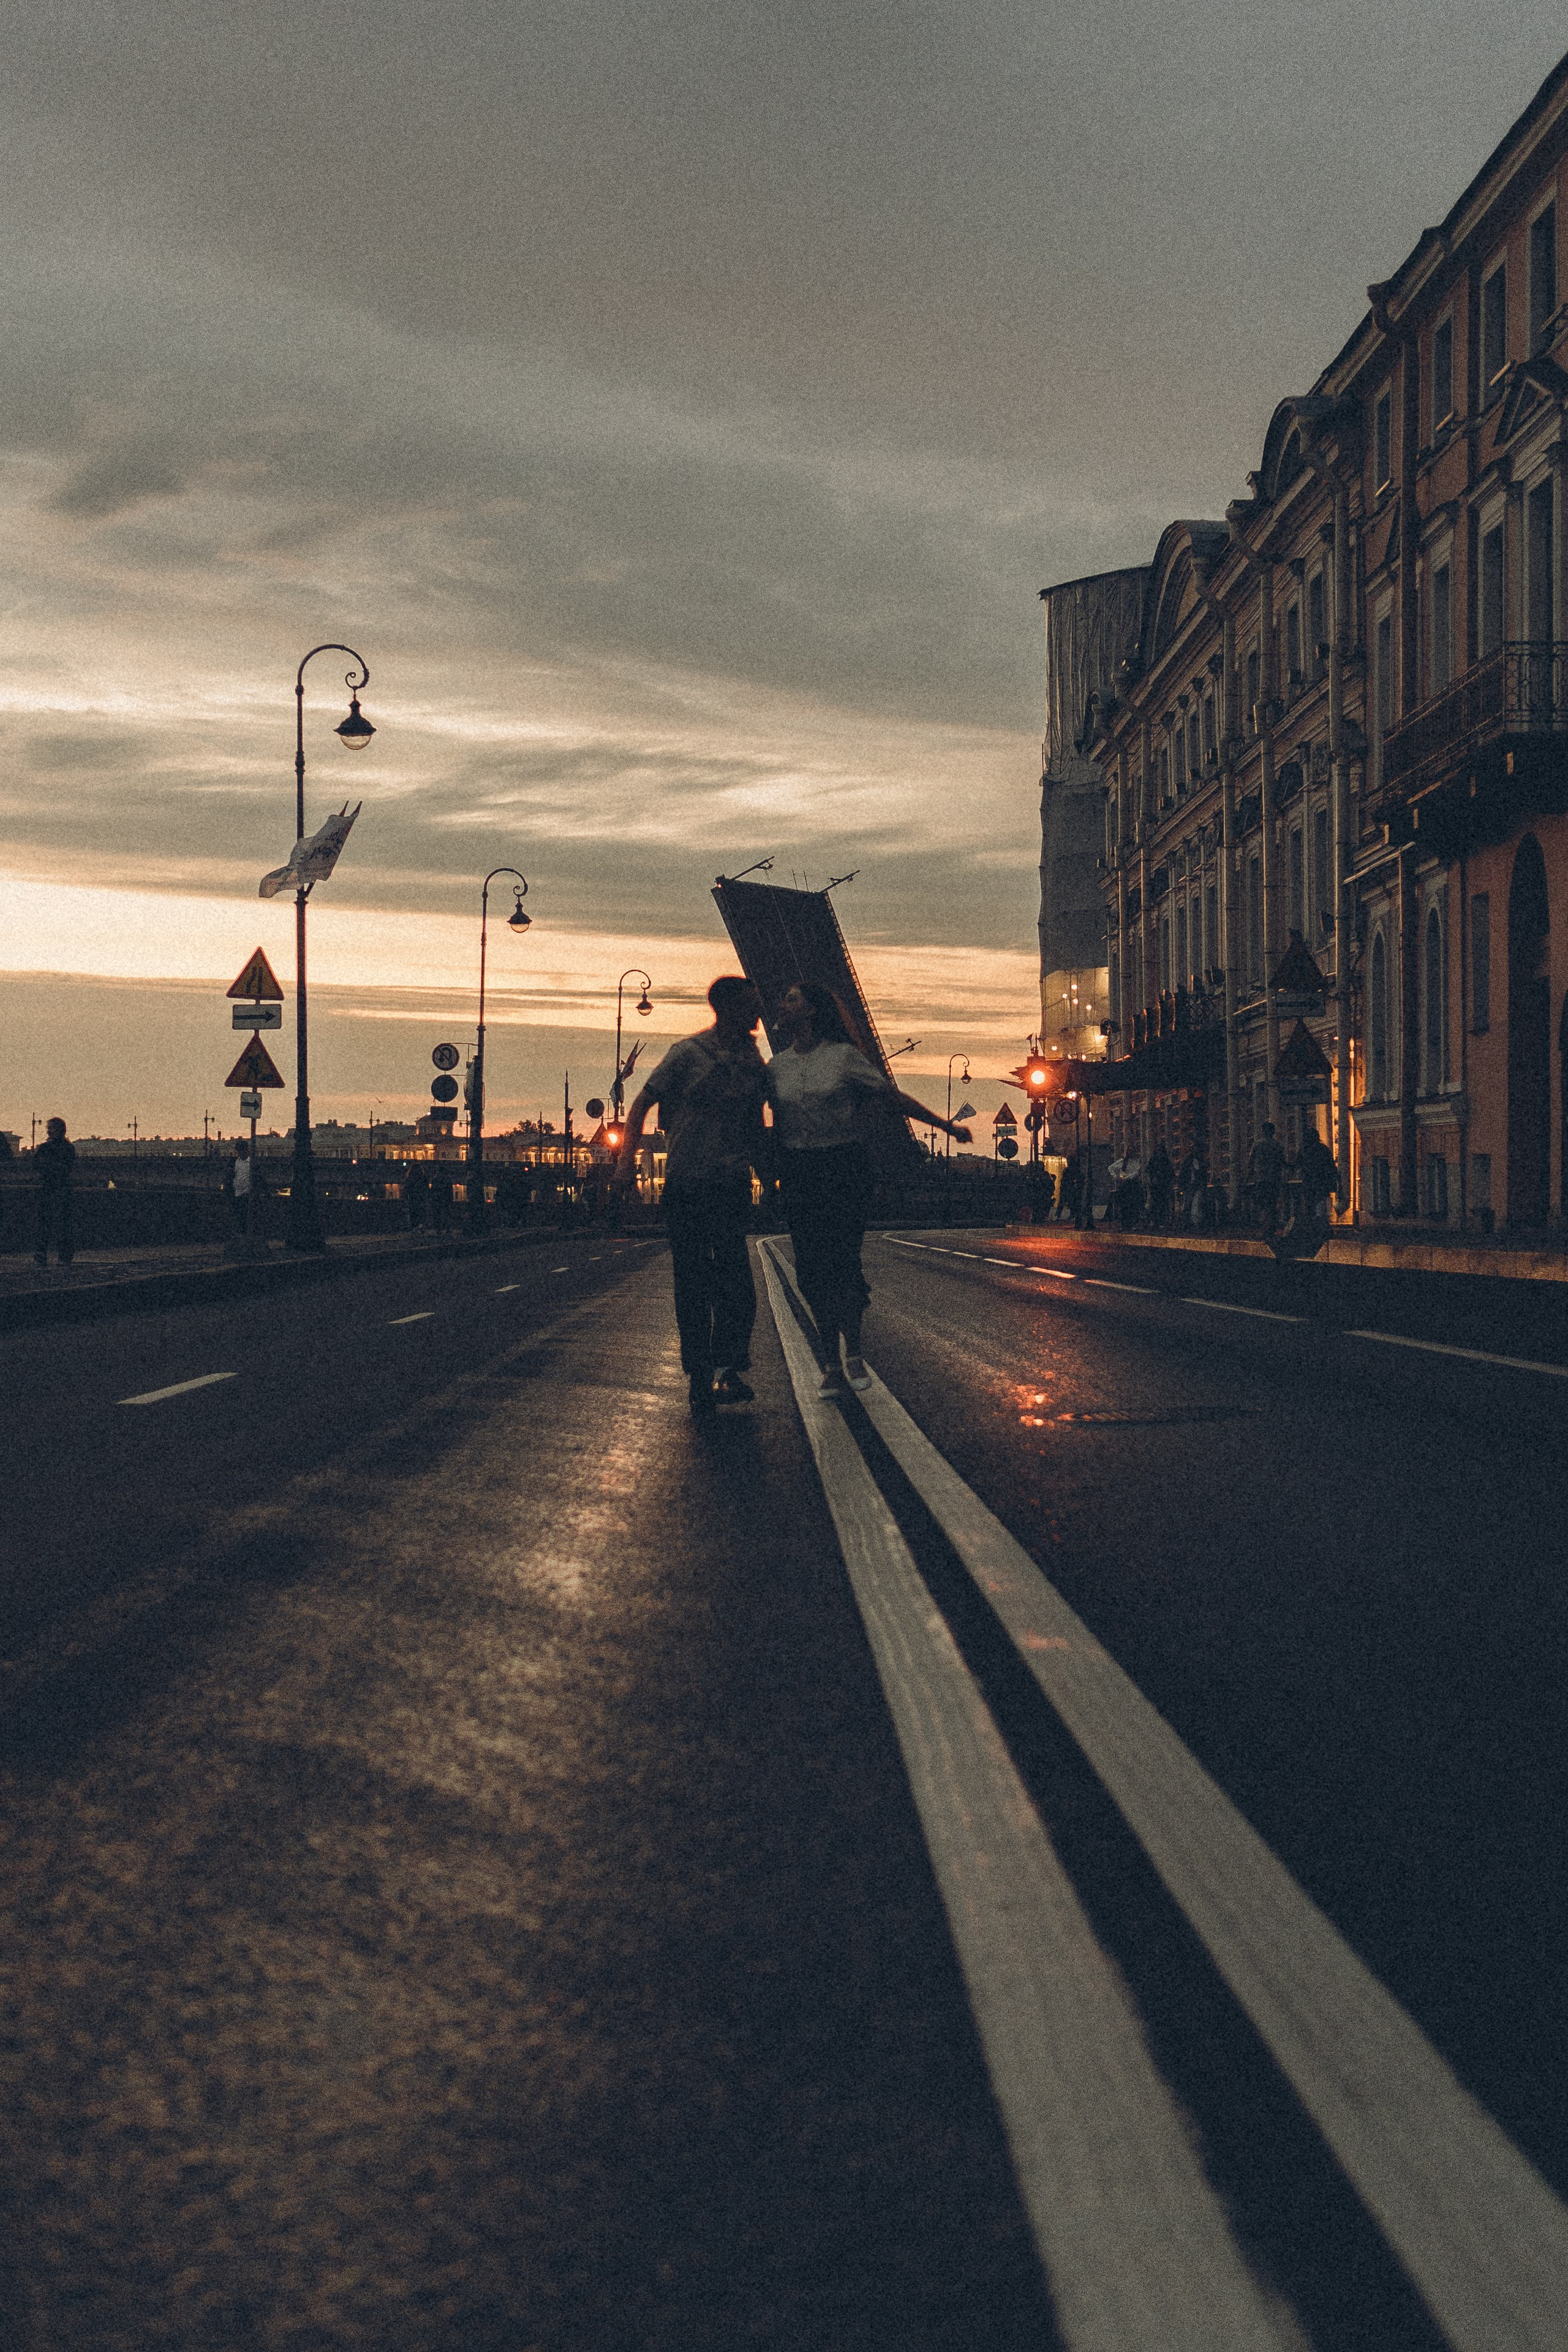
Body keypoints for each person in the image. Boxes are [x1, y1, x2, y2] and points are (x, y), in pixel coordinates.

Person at [767, 981, 971, 1398]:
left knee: (842, 1263)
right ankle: (829, 1364)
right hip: (801, 1173)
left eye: (791, 999)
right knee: (810, 1270)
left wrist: (945, 1126)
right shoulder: (776, 1067)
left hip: (842, 1168)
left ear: (811, 1010)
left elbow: (892, 1098)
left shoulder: (843, 1058)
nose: (782, 1005)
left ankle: (854, 1352)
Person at [614, 975, 771, 1416]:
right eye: (750, 1004)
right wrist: (626, 1161)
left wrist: (770, 1178)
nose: (758, 1012)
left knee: (738, 1284)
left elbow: (756, 1127)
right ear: (725, 1008)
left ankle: (729, 1366)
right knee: (693, 1283)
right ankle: (701, 1376)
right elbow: (641, 1104)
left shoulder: (753, 1061)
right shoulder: (687, 1054)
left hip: (731, 1184)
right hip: (687, 1183)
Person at [34, 1116, 75, 1268]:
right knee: (51, 1222)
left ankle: (44, 1254)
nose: (48, 1131)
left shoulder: (47, 1148)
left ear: (59, 1130)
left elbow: (41, 1165)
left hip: (54, 1187)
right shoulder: (67, 1148)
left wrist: (49, 1165)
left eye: (51, 1128)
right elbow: (39, 1164)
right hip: (57, 1187)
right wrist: (55, 1165)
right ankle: (59, 1256)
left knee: (56, 1223)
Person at [1247, 1120, 1286, 1237]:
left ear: (1263, 1131)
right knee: (1272, 1203)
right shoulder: (1278, 1145)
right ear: (1273, 1132)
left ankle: (1265, 1226)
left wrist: (1250, 1175)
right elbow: (1282, 1162)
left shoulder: (1257, 1144)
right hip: (1274, 1179)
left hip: (1261, 1179)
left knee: (1262, 1203)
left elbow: (1251, 1161)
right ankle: (1271, 1226)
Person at [1295, 1128, 1340, 1228]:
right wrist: (1336, 1178)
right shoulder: (1323, 1149)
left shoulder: (1304, 1150)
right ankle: (1321, 1226)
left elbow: (1297, 1165)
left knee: (1310, 1205)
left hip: (1309, 1182)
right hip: (1322, 1182)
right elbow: (1331, 1165)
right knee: (1321, 1203)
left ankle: (1312, 1227)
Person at [1145, 1140, 1175, 1229]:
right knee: (1154, 1203)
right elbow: (1148, 1171)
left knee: (1162, 1204)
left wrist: (1168, 1183)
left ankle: (1160, 1221)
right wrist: (1150, 1181)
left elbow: (1170, 1173)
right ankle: (1154, 1220)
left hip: (1163, 1186)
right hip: (1155, 1186)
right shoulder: (1153, 1159)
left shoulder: (1165, 1160)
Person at [404, 1162, 431, 1230]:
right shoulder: (423, 1177)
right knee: (421, 1212)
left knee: (413, 1212)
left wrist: (407, 1196)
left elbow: (407, 1188)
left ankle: (414, 1226)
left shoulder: (410, 1177)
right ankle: (420, 1226)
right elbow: (427, 1188)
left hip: (413, 1198)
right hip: (421, 1198)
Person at [429, 1160, 454, 1232]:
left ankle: (439, 1229)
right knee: (447, 1214)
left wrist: (433, 1198)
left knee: (438, 1214)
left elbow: (433, 1190)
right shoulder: (448, 1180)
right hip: (446, 1199)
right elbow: (450, 1190)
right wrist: (451, 1199)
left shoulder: (435, 1179)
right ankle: (448, 1228)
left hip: (438, 1199)